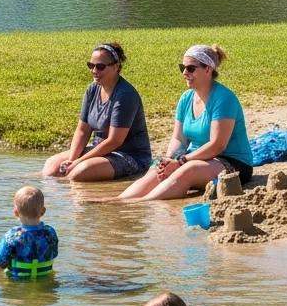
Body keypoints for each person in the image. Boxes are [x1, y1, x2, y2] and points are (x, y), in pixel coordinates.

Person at [115, 44, 253, 202]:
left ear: (208, 69)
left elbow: (217, 145)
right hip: (194, 158)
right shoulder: (186, 98)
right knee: (157, 168)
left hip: (232, 162)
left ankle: (140, 203)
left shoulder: (224, 98)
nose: (185, 73)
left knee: (188, 170)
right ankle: (117, 201)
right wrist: (169, 160)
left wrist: (180, 162)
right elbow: (178, 138)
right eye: (183, 68)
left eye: (191, 68)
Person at [42, 42, 151, 182]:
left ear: (116, 67)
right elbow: (82, 130)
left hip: (129, 156)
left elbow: (114, 141)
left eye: (100, 66)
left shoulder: (125, 95)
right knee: (51, 167)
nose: (94, 70)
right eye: (91, 65)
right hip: (100, 151)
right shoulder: (92, 89)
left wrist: (78, 162)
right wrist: (72, 159)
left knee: (78, 173)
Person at [0, 185, 58, 280]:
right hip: (44, 278)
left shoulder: (11, 236)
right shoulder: (50, 233)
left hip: (17, 283)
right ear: (43, 211)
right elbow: (54, 254)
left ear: (15, 212)